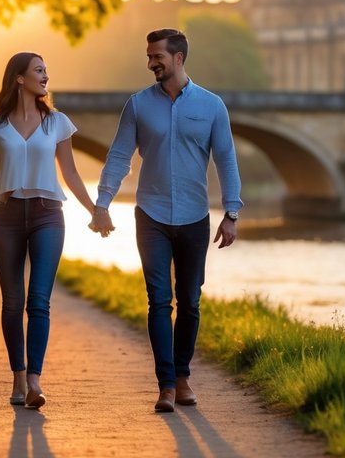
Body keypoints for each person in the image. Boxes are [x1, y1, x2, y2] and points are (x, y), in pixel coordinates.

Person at [91, 28, 243, 413]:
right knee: (159, 301)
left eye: (157, 55)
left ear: (178, 58)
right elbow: (119, 156)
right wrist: (103, 202)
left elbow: (226, 159)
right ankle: (165, 385)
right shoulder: (138, 105)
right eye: (148, 56)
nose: (150, 62)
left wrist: (232, 212)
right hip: (152, 216)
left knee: (190, 302)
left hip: (195, 217)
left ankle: (182, 376)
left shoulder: (212, 106)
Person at [0, 52, 97, 410]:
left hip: (47, 216)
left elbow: (70, 173)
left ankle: (35, 382)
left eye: (46, 70)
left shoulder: (57, 123)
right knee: (12, 303)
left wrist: (95, 211)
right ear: (19, 79)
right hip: (4, 216)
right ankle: (17, 375)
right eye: (39, 70)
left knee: (38, 300)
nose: (46, 76)